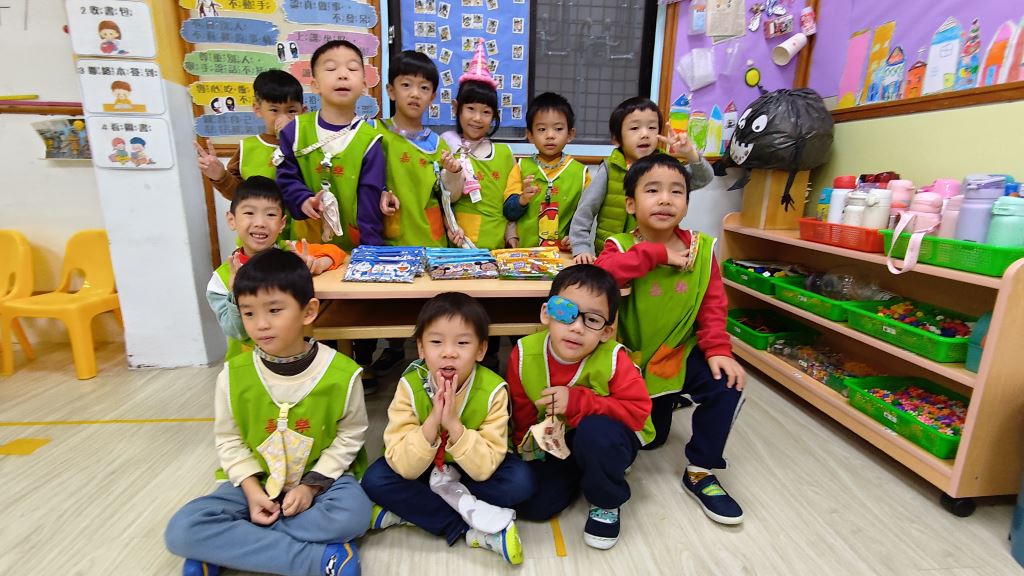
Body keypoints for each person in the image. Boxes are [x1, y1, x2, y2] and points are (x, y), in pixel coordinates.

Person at [165, 248, 370, 576]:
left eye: (274, 310)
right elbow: (229, 441)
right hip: (255, 482)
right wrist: (251, 490)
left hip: (322, 484)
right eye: (248, 313)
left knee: (353, 516)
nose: (260, 324)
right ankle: (317, 560)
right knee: (182, 529)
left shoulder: (342, 374)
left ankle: (227, 546)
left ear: (309, 311)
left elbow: (350, 437)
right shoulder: (233, 376)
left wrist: (309, 488)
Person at [595, 153, 746, 525]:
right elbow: (602, 278)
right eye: (652, 190)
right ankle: (648, 420)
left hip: (677, 353)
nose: (665, 199)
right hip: (627, 362)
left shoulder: (702, 248)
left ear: (687, 203)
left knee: (726, 383)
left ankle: (701, 470)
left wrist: (718, 349)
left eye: (676, 191)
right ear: (631, 204)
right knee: (651, 439)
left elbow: (712, 304)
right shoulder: (619, 245)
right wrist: (655, 253)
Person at [361, 293, 533, 565]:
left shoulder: (493, 390)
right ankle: (470, 527)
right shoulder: (410, 385)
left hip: (470, 470)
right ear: (420, 348)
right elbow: (404, 465)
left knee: (521, 482)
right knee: (375, 480)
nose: (449, 352)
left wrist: (454, 425)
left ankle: (410, 512)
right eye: (436, 342)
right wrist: (433, 421)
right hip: (423, 467)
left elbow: (485, 467)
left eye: (462, 343)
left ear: (481, 350)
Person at [507, 265, 653, 549]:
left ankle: (606, 500)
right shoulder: (524, 353)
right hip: (557, 440)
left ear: (607, 331)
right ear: (546, 313)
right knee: (534, 506)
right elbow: (522, 410)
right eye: (565, 312)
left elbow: (637, 413)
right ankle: (586, 472)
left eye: (592, 320)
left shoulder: (614, 359)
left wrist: (577, 401)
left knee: (595, 434)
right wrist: (525, 451)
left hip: (609, 436)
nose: (576, 327)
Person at [368, 50, 465, 383]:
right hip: (389, 239)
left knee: (430, 310)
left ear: (433, 97)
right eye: (406, 84)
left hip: (430, 240)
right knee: (388, 308)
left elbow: (451, 195)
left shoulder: (438, 144)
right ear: (391, 90)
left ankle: (432, 366)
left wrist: (454, 172)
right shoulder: (374, 134)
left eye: (424, 88)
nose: (415, 94)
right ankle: (393, 351)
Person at [206, 176, 343, 360]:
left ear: (282, 224)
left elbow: (336, 252)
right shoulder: (221, 280)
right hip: (250, 365)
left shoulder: (290, 251)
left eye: (270, 215)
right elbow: (237, 332)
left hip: (297, 361)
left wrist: (316, 264)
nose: (260, 223)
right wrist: (234, 293)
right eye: (249, 213)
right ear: (232, 220)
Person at [569, 97, 714, 263]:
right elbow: (585, 211)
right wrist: (581, 248)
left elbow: (703, 178)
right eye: (634, 128)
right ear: (616, 138)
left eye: (652, 127)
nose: (645, 134)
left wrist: (690, 154)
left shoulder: (666, 167)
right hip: (614, 255)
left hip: (658, 256)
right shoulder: (610, 168)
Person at [275, 39, 385, 252]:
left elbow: (370, 200)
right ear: (315, 85)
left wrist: (371, 253)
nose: (343, 74)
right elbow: (285, 179)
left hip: (353, 252)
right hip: (305, 250)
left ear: (364, 86)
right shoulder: (295, 131)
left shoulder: (370, 140)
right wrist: (302, 200)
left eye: (352, 68)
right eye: (331, 68)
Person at [195, 69, 306, 202]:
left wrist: (291, 137)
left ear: (303, 111)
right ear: (257, 109)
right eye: (274, 110)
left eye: (291, 111)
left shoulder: (311, 143)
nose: (283, 117)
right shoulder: (247, 147)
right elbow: (238, 195)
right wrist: (221, 176)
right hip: (263, 215)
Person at [503, 92, 588, 250]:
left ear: (570, 134)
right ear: (530, 135)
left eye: (558, 129)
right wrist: (522, 199)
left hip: (563, 255)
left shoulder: (582, 174)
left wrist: (575, 237)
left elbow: (585, 218)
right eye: (542, 129)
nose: (550, 135)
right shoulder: (521, 167)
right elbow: (509, 212)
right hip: (525, 253)